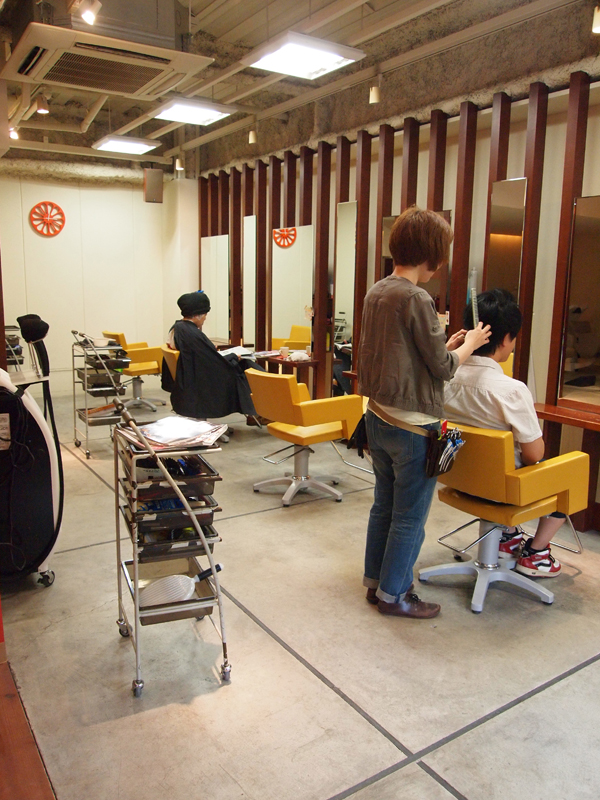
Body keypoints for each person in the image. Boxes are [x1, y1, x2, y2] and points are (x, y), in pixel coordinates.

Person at [357, 207, 491, 619]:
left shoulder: (379, 291)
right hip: (413, 427)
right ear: (432, 253)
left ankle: (376, 583)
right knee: (409, 518)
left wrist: (445, 345)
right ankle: (395, 595)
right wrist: (469, 344)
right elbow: (445, 369)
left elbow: (404, 356)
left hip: (378, 418)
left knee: (383, 507)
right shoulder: (416, 298)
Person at [443, 288, 564, 578]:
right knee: (565, 475)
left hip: (456, 479)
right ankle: (536, 554)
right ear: (507, 337)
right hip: (501, 490)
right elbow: (534, 455)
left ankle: (507, 538)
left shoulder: (444, 378)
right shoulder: (512, 390)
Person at [164, 291, 263, 424]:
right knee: (249, 368)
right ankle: (260, 411)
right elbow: (213, 363)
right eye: (205, 315)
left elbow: (205, 357)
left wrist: (213, 351)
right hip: (205, 382)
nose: (205, 318)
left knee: (243, 363)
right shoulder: (192, 334)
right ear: (197, 315)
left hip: (193, 378)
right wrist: (234, 356)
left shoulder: (179, 328)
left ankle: (258, 412)